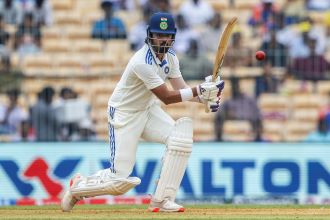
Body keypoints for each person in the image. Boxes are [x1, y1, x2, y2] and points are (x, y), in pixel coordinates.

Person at [61, 12, 224, 213]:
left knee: (180, 138)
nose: (163, 39)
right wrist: (200, 89)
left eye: (167, 35)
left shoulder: (171, 58)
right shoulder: (142, 61)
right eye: (158, 35)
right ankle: (79, 186)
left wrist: (205, 98)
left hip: (147, 110)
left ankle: (162, 200)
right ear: (150, 35)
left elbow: (181, 88)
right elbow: (167, 97)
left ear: (173, 37)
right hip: (125, 114)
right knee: (119, 181)